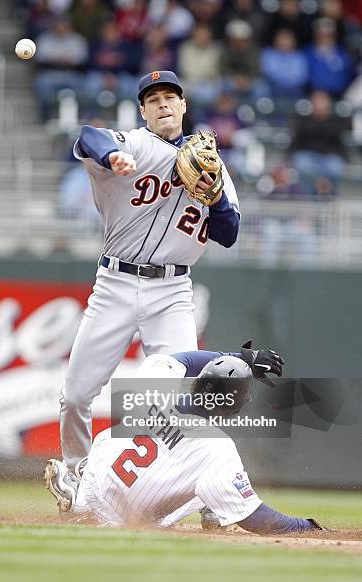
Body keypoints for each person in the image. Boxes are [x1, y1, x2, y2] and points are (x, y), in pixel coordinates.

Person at [59, 70, 241, 471]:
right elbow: (90, 135)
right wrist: (112, 157)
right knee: (75, 395)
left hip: (172, 292)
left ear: (183, 106)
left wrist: (214, 198)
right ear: (142, 110)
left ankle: (207, 489)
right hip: (116, 283)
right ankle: (76, 476)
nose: (163, 104)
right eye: (154, 99)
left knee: (182, 396)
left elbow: (228, 235)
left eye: (170, 97)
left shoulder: (212, 165)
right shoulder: (135, 144)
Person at [45, 345, 324, 534]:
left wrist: (238, 357)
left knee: (123, 434)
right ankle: (215, 509)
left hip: (102, 467)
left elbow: (183, 360)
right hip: (120, 515)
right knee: (210, 482)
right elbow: (256, 518)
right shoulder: (217, 448)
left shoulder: (159, 385)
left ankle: (80, 489)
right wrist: (306, 526)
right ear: (235, 406)